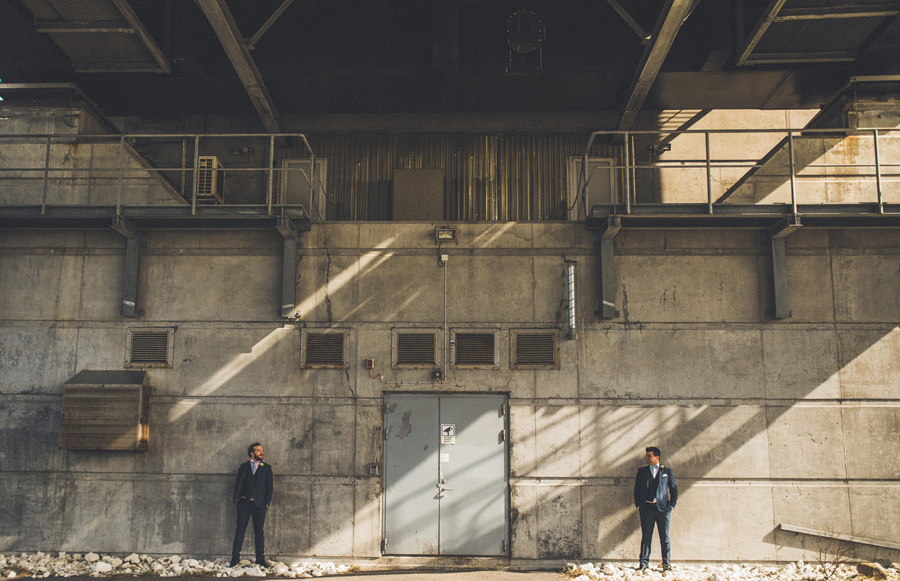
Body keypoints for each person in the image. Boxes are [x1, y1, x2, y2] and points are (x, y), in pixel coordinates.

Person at [633, 446, 677, 572]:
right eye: (646, 456)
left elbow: (674, 490)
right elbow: (637, 490)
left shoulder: (667, 471)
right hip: (646, 508)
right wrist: (638, 505)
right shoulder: (642, 471)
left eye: (649, 456)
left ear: (657, 457)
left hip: (663, 510)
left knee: (664, 537)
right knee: (646, 536)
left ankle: (666, 564)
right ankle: (644, 564)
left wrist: (671, 506)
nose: (646, 458)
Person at [230, 442, 274, 567]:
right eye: (259, 450)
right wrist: (237, 500)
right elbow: (238, 483)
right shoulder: (243, 466)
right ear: (252, 452)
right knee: (240, 530)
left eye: (262, 450)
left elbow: (269, 487)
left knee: (259, 532)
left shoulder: (266, 467)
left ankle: (260, 559)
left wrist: (266, 503)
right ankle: (235, 558)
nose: (262, 452)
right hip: (244, 503)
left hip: (259, 505)